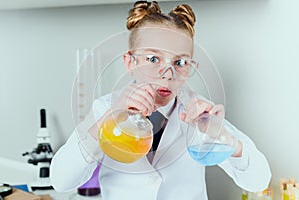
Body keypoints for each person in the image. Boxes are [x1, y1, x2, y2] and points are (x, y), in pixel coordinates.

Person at [50, 1, 271, 200]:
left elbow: (258, 181)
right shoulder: (105, 109)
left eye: (180, 62)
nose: (167, 74)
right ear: (130, 62)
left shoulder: (200, 112)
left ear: (191, 67)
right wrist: (110, 119)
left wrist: (220, 134)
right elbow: (61, 181)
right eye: (153, 58)